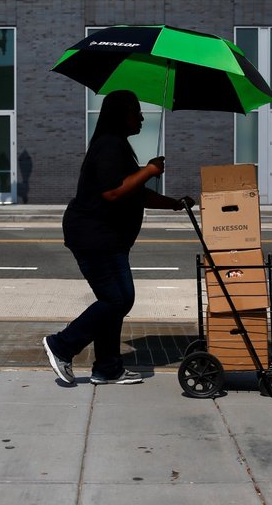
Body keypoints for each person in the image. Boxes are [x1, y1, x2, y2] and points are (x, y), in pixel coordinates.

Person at [43, 90, 193, 385]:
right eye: (135, 111)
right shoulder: (109, 146)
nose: (140, 117)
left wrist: (173, 203)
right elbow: (113, 192)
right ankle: (62, 345)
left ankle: (107, 368)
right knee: (117, 299)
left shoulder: (118, 146)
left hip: (107, 238)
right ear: (119, 114)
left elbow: (135, 192)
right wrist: (150, 169)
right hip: (95, 236)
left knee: (115, 300)